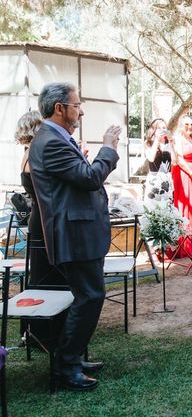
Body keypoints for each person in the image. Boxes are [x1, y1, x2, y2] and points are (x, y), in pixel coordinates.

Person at [29, 82, 121, 391]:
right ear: (60, 109)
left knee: (87, 297)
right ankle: (66, 366)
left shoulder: (55, 137)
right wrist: (108, 148)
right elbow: (90, 178)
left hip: (79, 232)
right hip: (74, 235)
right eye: (77, 104)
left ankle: (71, 358)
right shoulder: (50, 141)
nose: (80, 109)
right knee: (90, 297)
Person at [15, 110, 67, 352]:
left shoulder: (26, 154)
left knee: (42, 273)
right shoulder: (35, 155)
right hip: (44, 220)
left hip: (38, 217)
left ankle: (38, 331)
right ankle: (44, 332)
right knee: (49, 276)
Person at [170, 114, 192, 258]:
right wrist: (191, 173)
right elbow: (179, 159)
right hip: (184, 175)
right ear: (181, 126)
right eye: (187, 124)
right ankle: (184, 246)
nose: (190, 127)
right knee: (185, 207)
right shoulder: (177, 139)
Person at [144, 118, 174, 203]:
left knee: (167, 208)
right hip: (154, 179)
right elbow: (151, 158)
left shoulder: (168, 143)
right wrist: (157, 140)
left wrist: (171, 141)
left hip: (166, 179)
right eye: (159, 128)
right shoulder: (148, 143)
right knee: (152, 207)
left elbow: (175, 161)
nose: (163, 130)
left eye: (164, 128)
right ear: (154, 130)